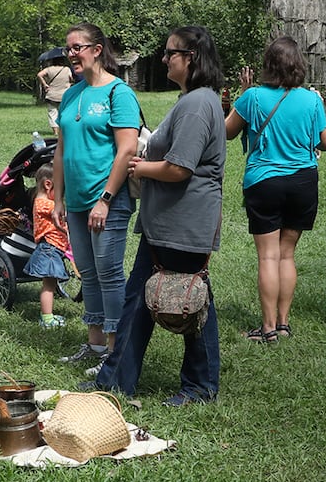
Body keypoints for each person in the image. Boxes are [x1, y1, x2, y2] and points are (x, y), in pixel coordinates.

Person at [90, 25, 225, 407]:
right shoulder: (192, 99)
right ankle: (116, 382)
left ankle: (199, 386)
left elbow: (180, 168)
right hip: (164, 224)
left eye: (171, 53)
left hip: (183, 225)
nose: (164, 59)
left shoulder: (199, 103)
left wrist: (139, 167)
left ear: (192, 57)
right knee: (140, 302)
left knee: (190, 303)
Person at [224, 36, 326, 342]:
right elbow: (324, 142)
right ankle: (284, 324)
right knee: (287, 255)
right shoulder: (311, 100)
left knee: (268, 257)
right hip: (303, 182)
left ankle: (268, 328)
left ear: (268, 65)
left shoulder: (253, 97)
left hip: (265, 182)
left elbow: (228, 132)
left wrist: (241, 98)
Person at [51, 22, 140, 372]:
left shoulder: (119, 94)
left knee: (109, 272)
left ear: (97, 50)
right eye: (67, 49)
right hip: (74, 201)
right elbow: (60, 150)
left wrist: (105, 198)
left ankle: (114, 351)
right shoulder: (71, 94)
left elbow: (127, 149)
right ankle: (94, 343)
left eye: (77, 47)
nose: (70, 54)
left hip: (108, 199)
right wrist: (58, 199)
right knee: (87, 272)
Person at [28, 163, 70, 328]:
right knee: (49, 284)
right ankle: (46, 319)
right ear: (48, 185)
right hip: (49, 249)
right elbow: (63, 212)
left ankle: (47, 316)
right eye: (61, 191)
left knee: (50, 283)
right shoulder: (44, 204)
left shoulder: (44, 202)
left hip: (53, 248)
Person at [37, 56, 74, 129]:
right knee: (64, 113)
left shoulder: (48, 69)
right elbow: (71, 78)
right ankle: (63, 129)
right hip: (64, 95)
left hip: (51, 95)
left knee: (52, 113)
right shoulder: (66, 69)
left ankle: (55, 131)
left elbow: (39, 75)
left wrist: (45, 85)